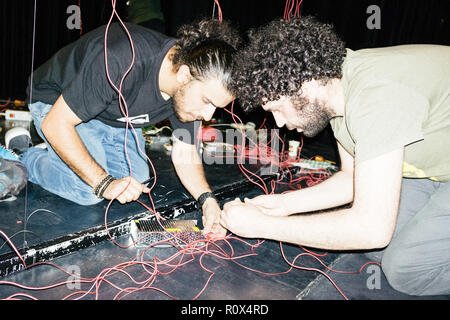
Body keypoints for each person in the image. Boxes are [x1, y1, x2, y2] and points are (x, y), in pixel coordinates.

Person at [222, 16, 450, 296]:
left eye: (278, 109)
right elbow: (351, 177)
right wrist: (283, 205)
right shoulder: (339, 90)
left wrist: (263, 226)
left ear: (304, 87)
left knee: (408, 271)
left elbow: (371, 228)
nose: (279, 123)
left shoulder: (376, 97)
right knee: (377, 253)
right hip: (435, 169)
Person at [6, 19, 241, 236]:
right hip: (57, 101)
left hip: (109, 113)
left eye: (216, 108)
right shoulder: (120, 60)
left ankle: (62, 150)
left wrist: (208, 200)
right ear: (183, 74)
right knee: (89, 191)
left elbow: (186, 151)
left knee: (136, 180)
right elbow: (56, 123)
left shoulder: (191, 85)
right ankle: (25, 153)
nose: (208, 115)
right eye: (208, 102)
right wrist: (104, 183)